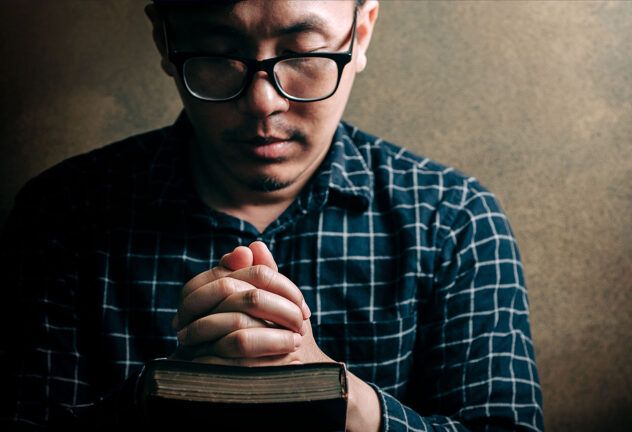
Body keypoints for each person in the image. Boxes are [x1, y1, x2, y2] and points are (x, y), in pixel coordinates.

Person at [0, 0, 544, 430]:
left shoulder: (453, 219)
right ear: (166, 41)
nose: (263, 102)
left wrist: (341, 400)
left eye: (304, 54)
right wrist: (161, 396)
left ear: (361, 33)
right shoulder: (63, 213)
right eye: (218, 56)